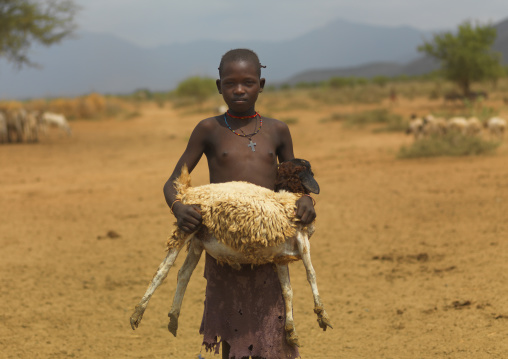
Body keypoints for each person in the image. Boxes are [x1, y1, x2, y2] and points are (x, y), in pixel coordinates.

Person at [163, 48, 316, 359]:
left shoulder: (278, 130)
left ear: (261, 84)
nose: (239, 89)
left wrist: (305, 200)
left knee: (271, 324)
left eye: (248, 82)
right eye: (230, 83)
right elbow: (173, 183)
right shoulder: (209, 129)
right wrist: (179, 208)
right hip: (224, 246)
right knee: (233, 329)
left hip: (268, 245)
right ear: (219, 86)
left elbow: (293, 184)